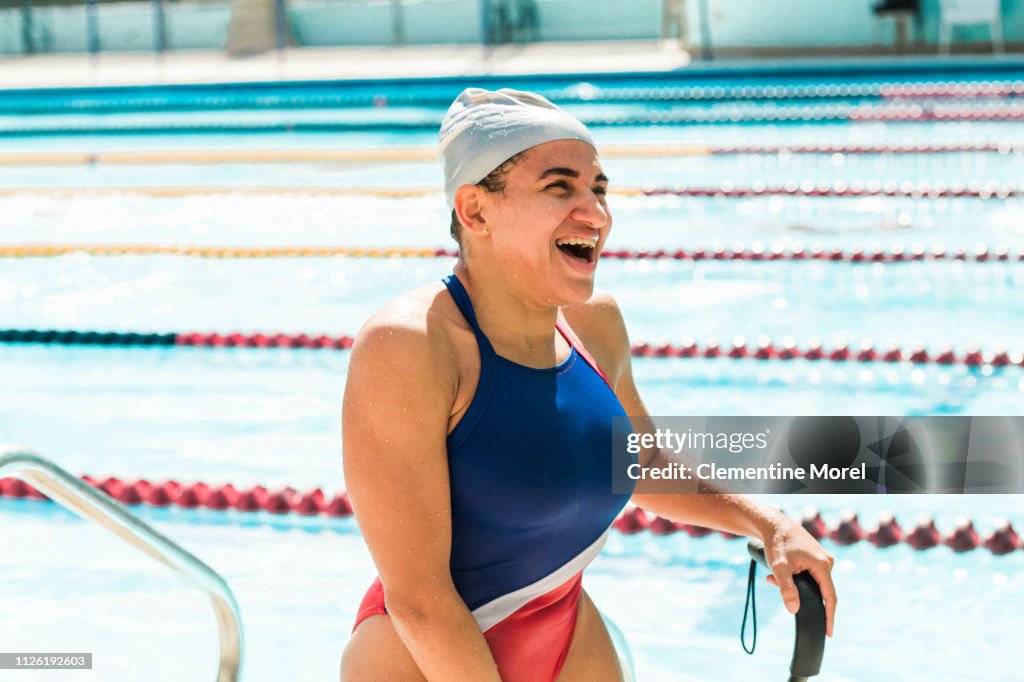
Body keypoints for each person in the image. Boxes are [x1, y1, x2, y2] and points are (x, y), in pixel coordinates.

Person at [340, 88, 837, 681]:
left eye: (598, 189)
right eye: (559, 188)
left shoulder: (593, 323)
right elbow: (420, 603)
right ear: (475, 212)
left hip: (568, 637)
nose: (595, 214)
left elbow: (640, 461)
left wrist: (767, 522)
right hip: (425, 663)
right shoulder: (412, 346)